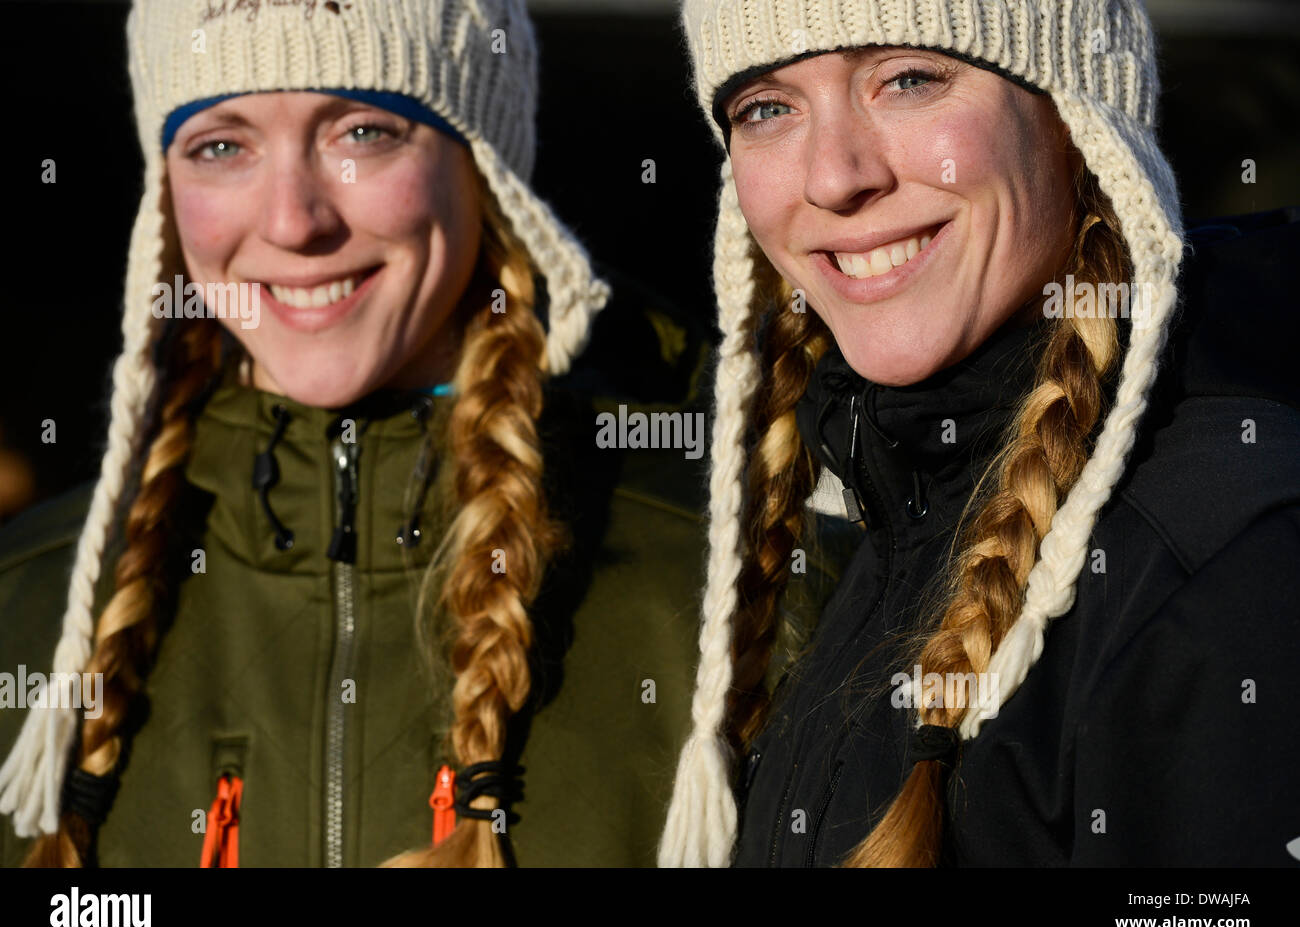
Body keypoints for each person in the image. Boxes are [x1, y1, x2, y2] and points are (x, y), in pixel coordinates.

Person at [0, 0, 716, 868]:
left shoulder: (717, 599)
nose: (295, 221)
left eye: (364, 132)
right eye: (221, 146)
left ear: (484, 167)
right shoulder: (23, 609)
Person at [662, 0, 1300, 867]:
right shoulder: (901, 498)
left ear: (1077, 118)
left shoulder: (1221, 566)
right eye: (766, 107)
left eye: (909, 79)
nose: (833, 176)